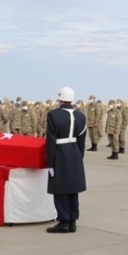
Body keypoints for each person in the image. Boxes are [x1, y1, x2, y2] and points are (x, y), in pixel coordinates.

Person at [45, 87, 87, 233]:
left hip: (60, 153)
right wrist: (78, 157)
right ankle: (72, 221)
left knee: (61, 188)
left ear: (60, 99)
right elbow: (82, 141)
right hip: (75, 153)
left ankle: (63, 221)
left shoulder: (53, 115)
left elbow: (50, 140)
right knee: (73, 189)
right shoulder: (81, 117)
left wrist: (49, 162)